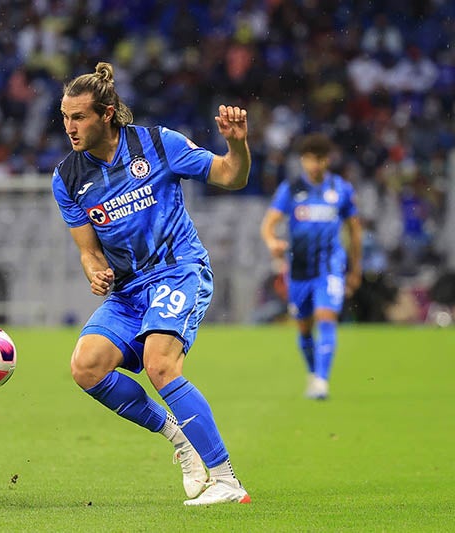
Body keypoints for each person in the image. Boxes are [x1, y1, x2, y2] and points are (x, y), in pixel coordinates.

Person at [51, 62, 252, 506]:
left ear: (106, 114)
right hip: (127, 292)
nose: (69, 127)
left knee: (161, 365)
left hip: (178, 269)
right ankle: (178, 438)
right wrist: (93, 270)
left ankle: (226, 481)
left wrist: (237, 146)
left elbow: (230, 176)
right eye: (65, 117)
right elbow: (88, 250)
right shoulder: (67, 177)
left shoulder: (159, 144)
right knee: (86, 367)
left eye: (78, 116)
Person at [260, 133, 362, 400]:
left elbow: (354, 229)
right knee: (304, 327)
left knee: (326, 318)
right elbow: (268, 225)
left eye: (318, 159)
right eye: (308, 159)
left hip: (330, 266)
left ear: (327, 160)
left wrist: (355, 268)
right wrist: (272, 242)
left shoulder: (341, 189)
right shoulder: (291, 189)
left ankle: (321, 381)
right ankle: (313, 372)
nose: (313, 164)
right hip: (299, 269)